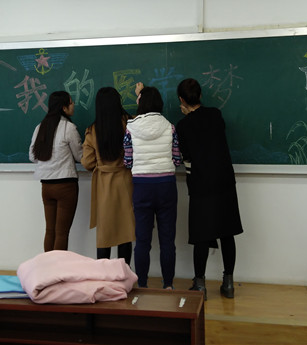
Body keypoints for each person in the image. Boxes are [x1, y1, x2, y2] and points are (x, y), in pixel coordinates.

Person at [176, 78, 243, 298]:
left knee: (202, 235)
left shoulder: (183, 126)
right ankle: (229, 283)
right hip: (224, 180)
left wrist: (188, 117)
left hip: (201, 183)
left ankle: (200, 285)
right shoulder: (216, 115)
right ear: (201, 96)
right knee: (227, 232)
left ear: (181, 100)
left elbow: (185, 156)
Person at [123, 83, 181, 289]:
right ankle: (168, 285)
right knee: (168, 240)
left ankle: (143, 285)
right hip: (166, 185)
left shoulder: (130, 128)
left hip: (142, 186)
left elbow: (127, 161)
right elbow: (177, 159)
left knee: (142, 240)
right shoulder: (170, 127)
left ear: (140, 103)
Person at [82, 87, 135, 265]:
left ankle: (103, 274)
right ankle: (124, 273)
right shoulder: (129, 123)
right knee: (126, 231)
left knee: (105, 233)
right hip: (126, 181)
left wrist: (101, 165)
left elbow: (87, 162)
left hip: (104, 183)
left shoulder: (93, 130)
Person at [29, 91, 83, 252]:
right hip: (65, 186)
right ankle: (59, 267)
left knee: (50, 231)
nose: (73, 105)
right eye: (71, 102)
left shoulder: (40, 127)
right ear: (64, 108)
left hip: (46, 186)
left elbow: (32, 156)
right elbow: (80, 156)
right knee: (62, 233)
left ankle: (47, 266)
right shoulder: (69, 128)